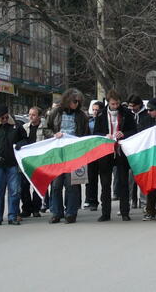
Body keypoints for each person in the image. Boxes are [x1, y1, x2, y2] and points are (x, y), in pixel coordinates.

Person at [45, 88, 89, 224]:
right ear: (68, 100)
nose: (76, 104)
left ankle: (71, 213)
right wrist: (53, 135)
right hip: (58, 153)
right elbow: (46, 129)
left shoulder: (82, 116)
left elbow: (86, 135)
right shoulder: (56, 113)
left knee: (72, 185)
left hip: (74, 153)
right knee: (56, 185)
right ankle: (56, 213)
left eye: (78, 101)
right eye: (74, 101)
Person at [94, 89, 136, 221]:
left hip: (121, 151)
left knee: (123, 182)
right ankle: (105, 213)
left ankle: (125, 212)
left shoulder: (127, 113)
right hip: (106, 151)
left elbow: (134, 130)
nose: (115, 106)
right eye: (113, 104)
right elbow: (95, 133)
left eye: (117, 103)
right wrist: (104, 135)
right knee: (105, 183)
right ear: (108, 102)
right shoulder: (100, 114)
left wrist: (124, 133)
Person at [19, 107, 46, 218]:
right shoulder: (24, 128)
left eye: (33, 115)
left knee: (37, 187)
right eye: (30, 114)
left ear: (39, 116)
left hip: (39, 161)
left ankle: (36, 208)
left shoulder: (45, 128)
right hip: (26, 161)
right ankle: (26, 208)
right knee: (23, 186)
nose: (31, 117)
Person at [127, 94, 147, 208]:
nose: (132, 109)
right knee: (130, 177)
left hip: (143, 149)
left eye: (133, 106)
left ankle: (143, 201)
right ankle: (132, 200)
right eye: (130, 106)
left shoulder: (146, 115)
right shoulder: (128, 114)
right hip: (130, 150)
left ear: (139, 105)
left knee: (143, 176)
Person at [85, 100, 104, 211]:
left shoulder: (103, 121)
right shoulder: (89, 121)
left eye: (97, 110)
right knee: (91, 178)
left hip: (101, 152)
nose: (95, 112)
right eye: (94, 110)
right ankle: (92, 201)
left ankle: (103, 200)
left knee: (103, 178)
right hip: (91, 152)